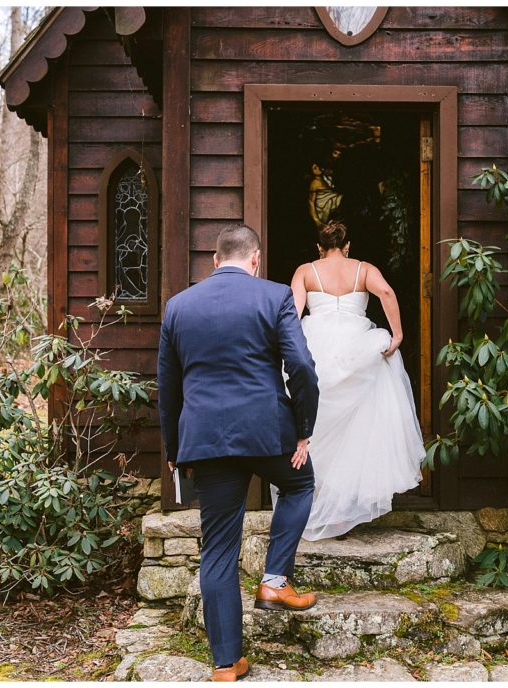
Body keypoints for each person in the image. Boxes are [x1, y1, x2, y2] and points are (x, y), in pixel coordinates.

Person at [158, 225, 321, 682]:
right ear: (256, 260)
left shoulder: (178, 307)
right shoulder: (273, 297)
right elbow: (302, 367)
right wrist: (302, 431)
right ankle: (274, 580)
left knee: (218, 550)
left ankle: (225, 665)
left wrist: (174, 448)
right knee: (300, 483)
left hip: (206, 441)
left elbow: (167, 389)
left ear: (214, 261)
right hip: (268, 434)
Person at [287, 220, 426, 540]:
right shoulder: (364, 269)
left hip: (318, 349)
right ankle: (346, 507)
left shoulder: (306, 271)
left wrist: (292, 350)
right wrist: (398, 334)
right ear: (347, 246)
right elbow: (387, 292)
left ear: (319, 247)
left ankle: (320, 501)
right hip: (357, 349)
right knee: (359, 425)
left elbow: (293, 313)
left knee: (319, 426)